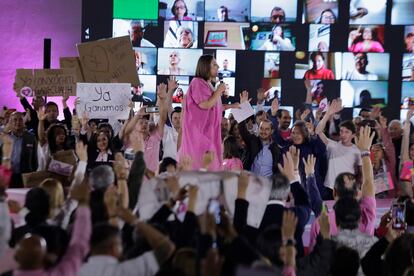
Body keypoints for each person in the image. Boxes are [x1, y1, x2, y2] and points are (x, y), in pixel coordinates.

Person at [178, 55, 226, 170]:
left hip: (208, 135)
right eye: (214, 64)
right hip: (199, 137)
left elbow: (214, 108)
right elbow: (205, 104)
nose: (218, 66)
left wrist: (234, 106)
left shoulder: (207, 84)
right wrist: (219, 91)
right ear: (205, 67)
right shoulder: (197, 82)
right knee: (203, 172)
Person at [315, 99, 362, 199]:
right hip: (329, 189)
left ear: (353, 135)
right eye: (341, 131)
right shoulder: (333, 145)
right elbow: (318, 131)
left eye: (347, 132)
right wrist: (327, 114)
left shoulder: (357, 151)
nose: (343, 134)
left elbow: (361, 173)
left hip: (348, 190)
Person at [0, 112, 37, 188]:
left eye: (20, 119)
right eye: (15, 120)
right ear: (10, 122)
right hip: (7, 175)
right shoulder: (5, 138)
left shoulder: (31, 137)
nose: (18, 122)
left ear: (24, 122)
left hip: (25, 176)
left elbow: (35, 159)